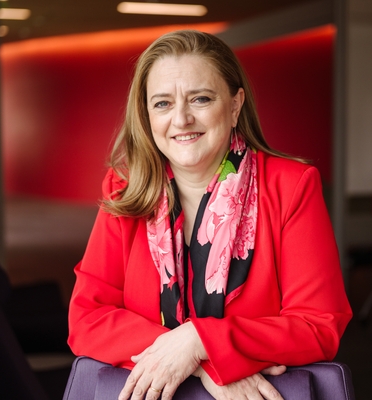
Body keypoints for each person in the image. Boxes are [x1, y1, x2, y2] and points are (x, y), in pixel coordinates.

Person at [67, 30, 352, 400]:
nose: (181, 119)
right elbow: (86, 318)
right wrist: (196, 359)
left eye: (200, 99)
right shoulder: (124, 190)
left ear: (235, 106)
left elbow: (319, 325)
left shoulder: (291, 186)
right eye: (163, 103)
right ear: (147, 116)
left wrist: (200, 341)